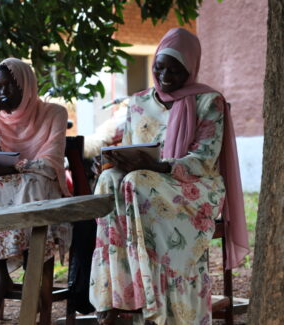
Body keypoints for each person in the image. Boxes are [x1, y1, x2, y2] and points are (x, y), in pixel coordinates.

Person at [90, 28, 249, 325]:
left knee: (137, 183)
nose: (164, 75)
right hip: (144, 183)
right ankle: (116, 297)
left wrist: (161, 167)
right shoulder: (138, 102)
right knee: (108, 181)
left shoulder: (208, 101)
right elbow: (132, 146)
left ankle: (154, 301)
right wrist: (118, 158)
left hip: (195, 184)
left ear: (190, 68)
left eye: (174, 70)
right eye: (159, 67)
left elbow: (203, 160)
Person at [0, 58, 71, 318]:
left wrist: (13, 168)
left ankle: (32, 281)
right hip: (6, 185)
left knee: (32, 184)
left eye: (9, 87)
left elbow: (49, 163)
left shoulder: (54, 113)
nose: (2, 94)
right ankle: (2, 276)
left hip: (40, 185)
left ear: (26, 85)